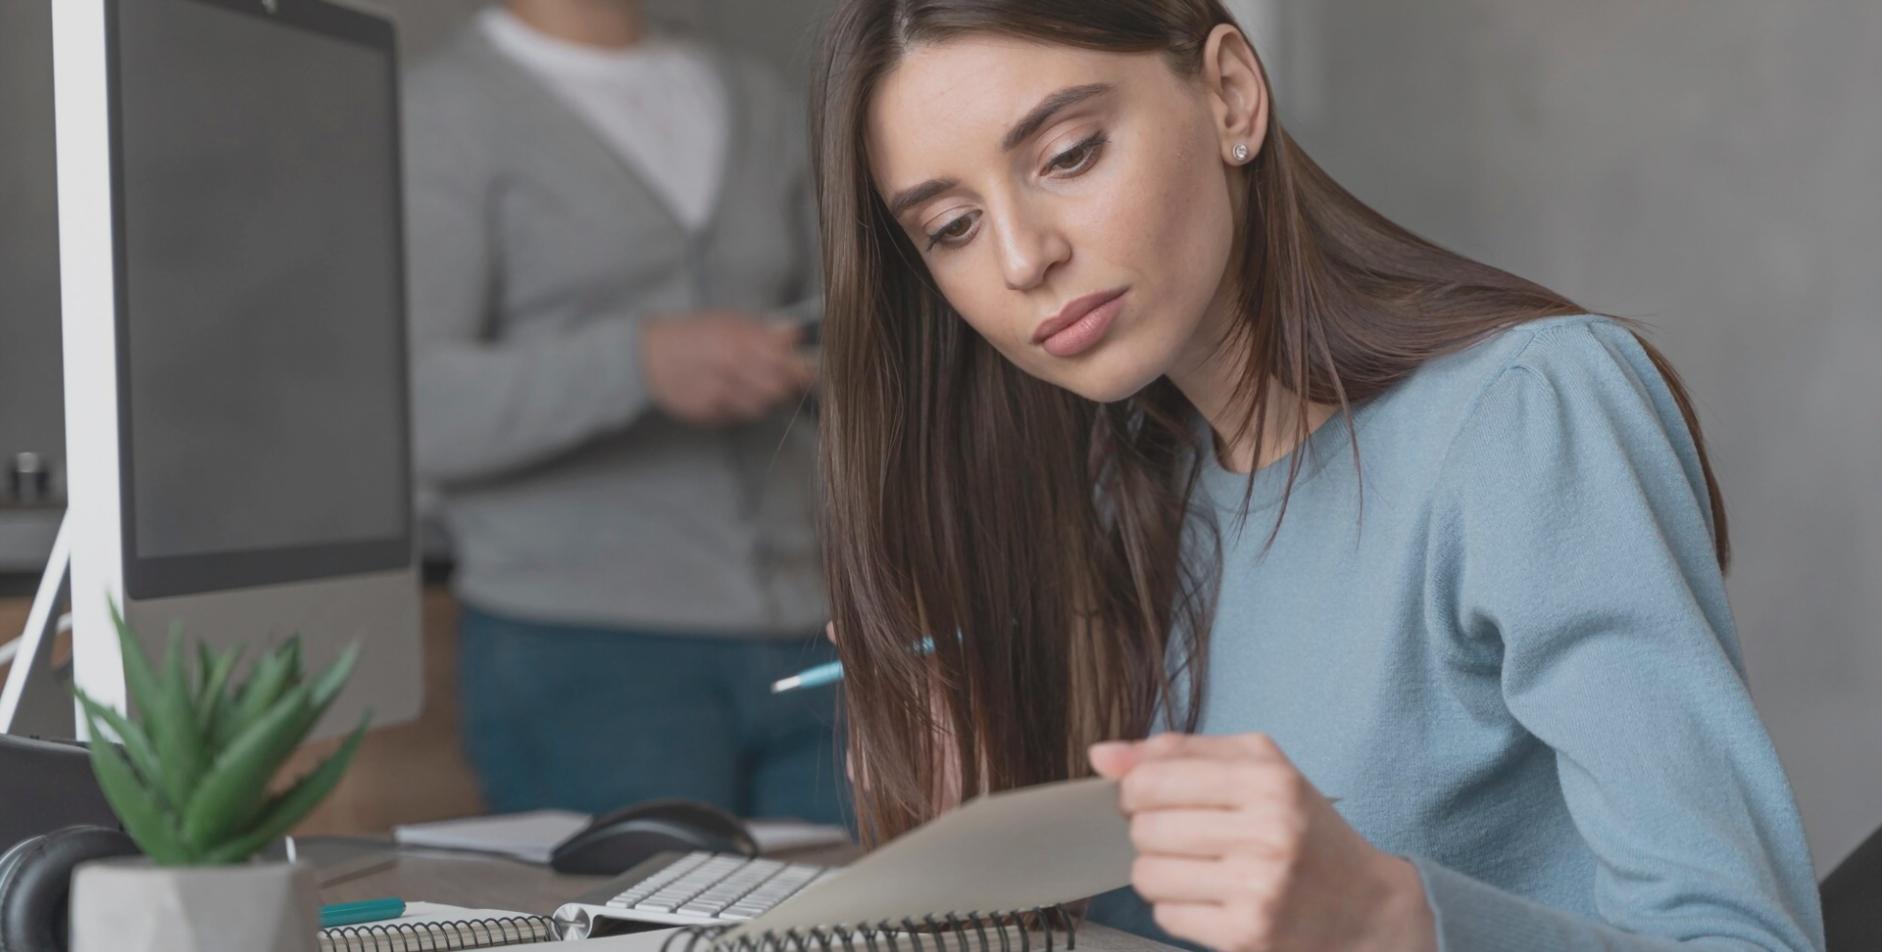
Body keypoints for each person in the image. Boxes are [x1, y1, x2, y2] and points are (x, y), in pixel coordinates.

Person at [807, 1, 1825, 950]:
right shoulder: (1131, 487)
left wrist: (1388, 914)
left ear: (1231, 96)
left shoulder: (1525, 411)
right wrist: (983, 819)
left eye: (1068, 154)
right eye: (951, 228)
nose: (1022, 258)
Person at [402, 0, 843, 824]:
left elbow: (842, 323)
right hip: (585, 654)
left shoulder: (756, 94)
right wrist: (635, 363)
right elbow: (413, 409)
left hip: (811, 625)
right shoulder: (443, 114)